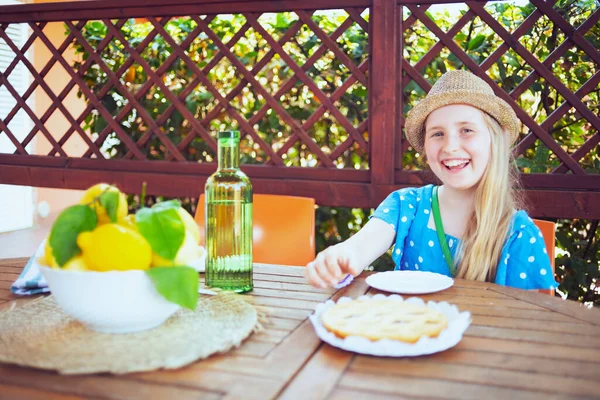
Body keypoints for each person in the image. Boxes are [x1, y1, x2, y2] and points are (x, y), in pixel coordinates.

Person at [304, 70, 557, 291]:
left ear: (495, 141)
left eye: (466, 130)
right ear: (425, 147)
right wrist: (341, 257)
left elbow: (525, 323)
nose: (450, 146)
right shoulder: (406, 205)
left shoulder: (519, 235)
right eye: (437, 133)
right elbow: (361, 246)